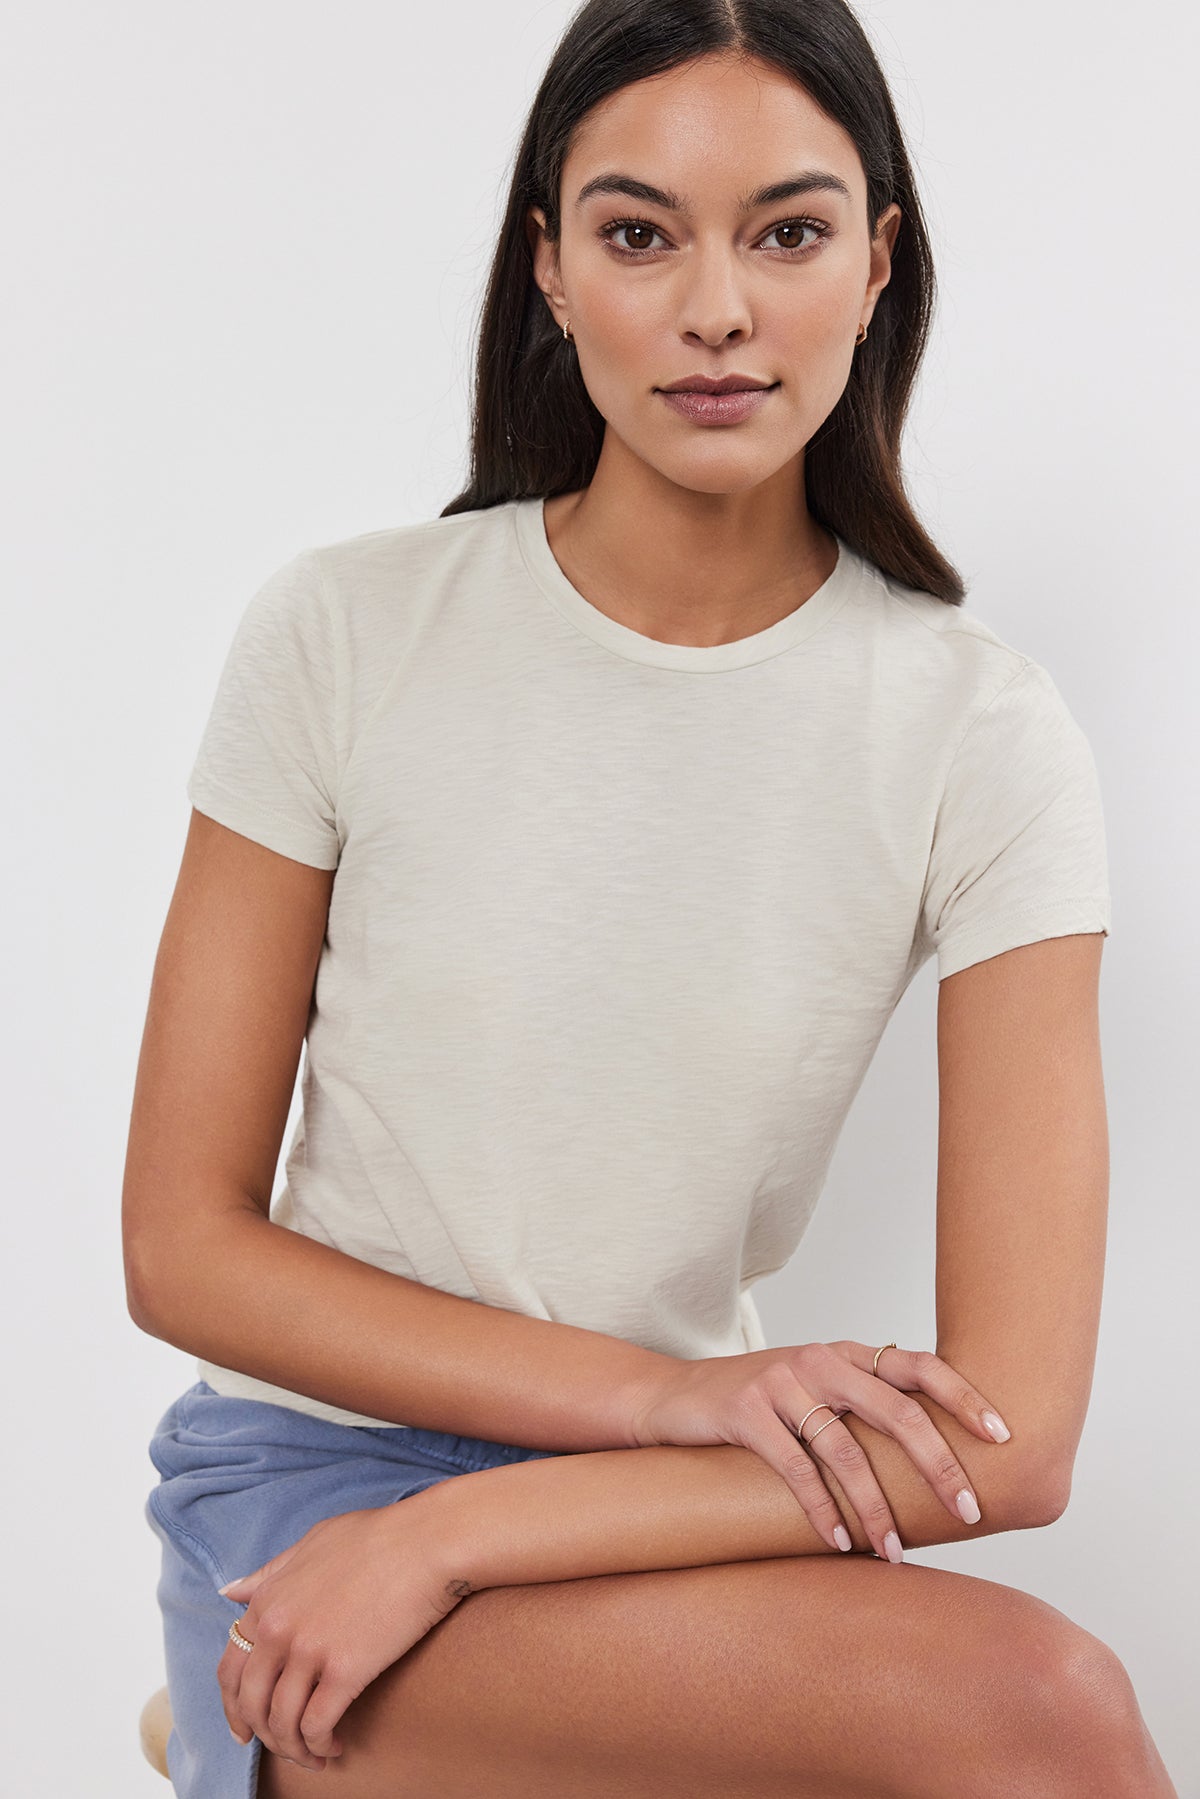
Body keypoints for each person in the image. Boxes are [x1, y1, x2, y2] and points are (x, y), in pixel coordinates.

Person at [124, 2, 1178, 1795]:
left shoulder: (979, 731)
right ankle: (243, 1713)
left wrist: (474, 1539)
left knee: (1048, 1710)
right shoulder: (351, 632)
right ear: (546, 265)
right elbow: (182, 1248)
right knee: (1041, 1722)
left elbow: (1012, 1441)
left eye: (788, 232)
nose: (717, 310)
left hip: (663, 1527)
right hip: (317, 1494)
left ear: (877, 264)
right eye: (637, 234)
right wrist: (660, 1394)